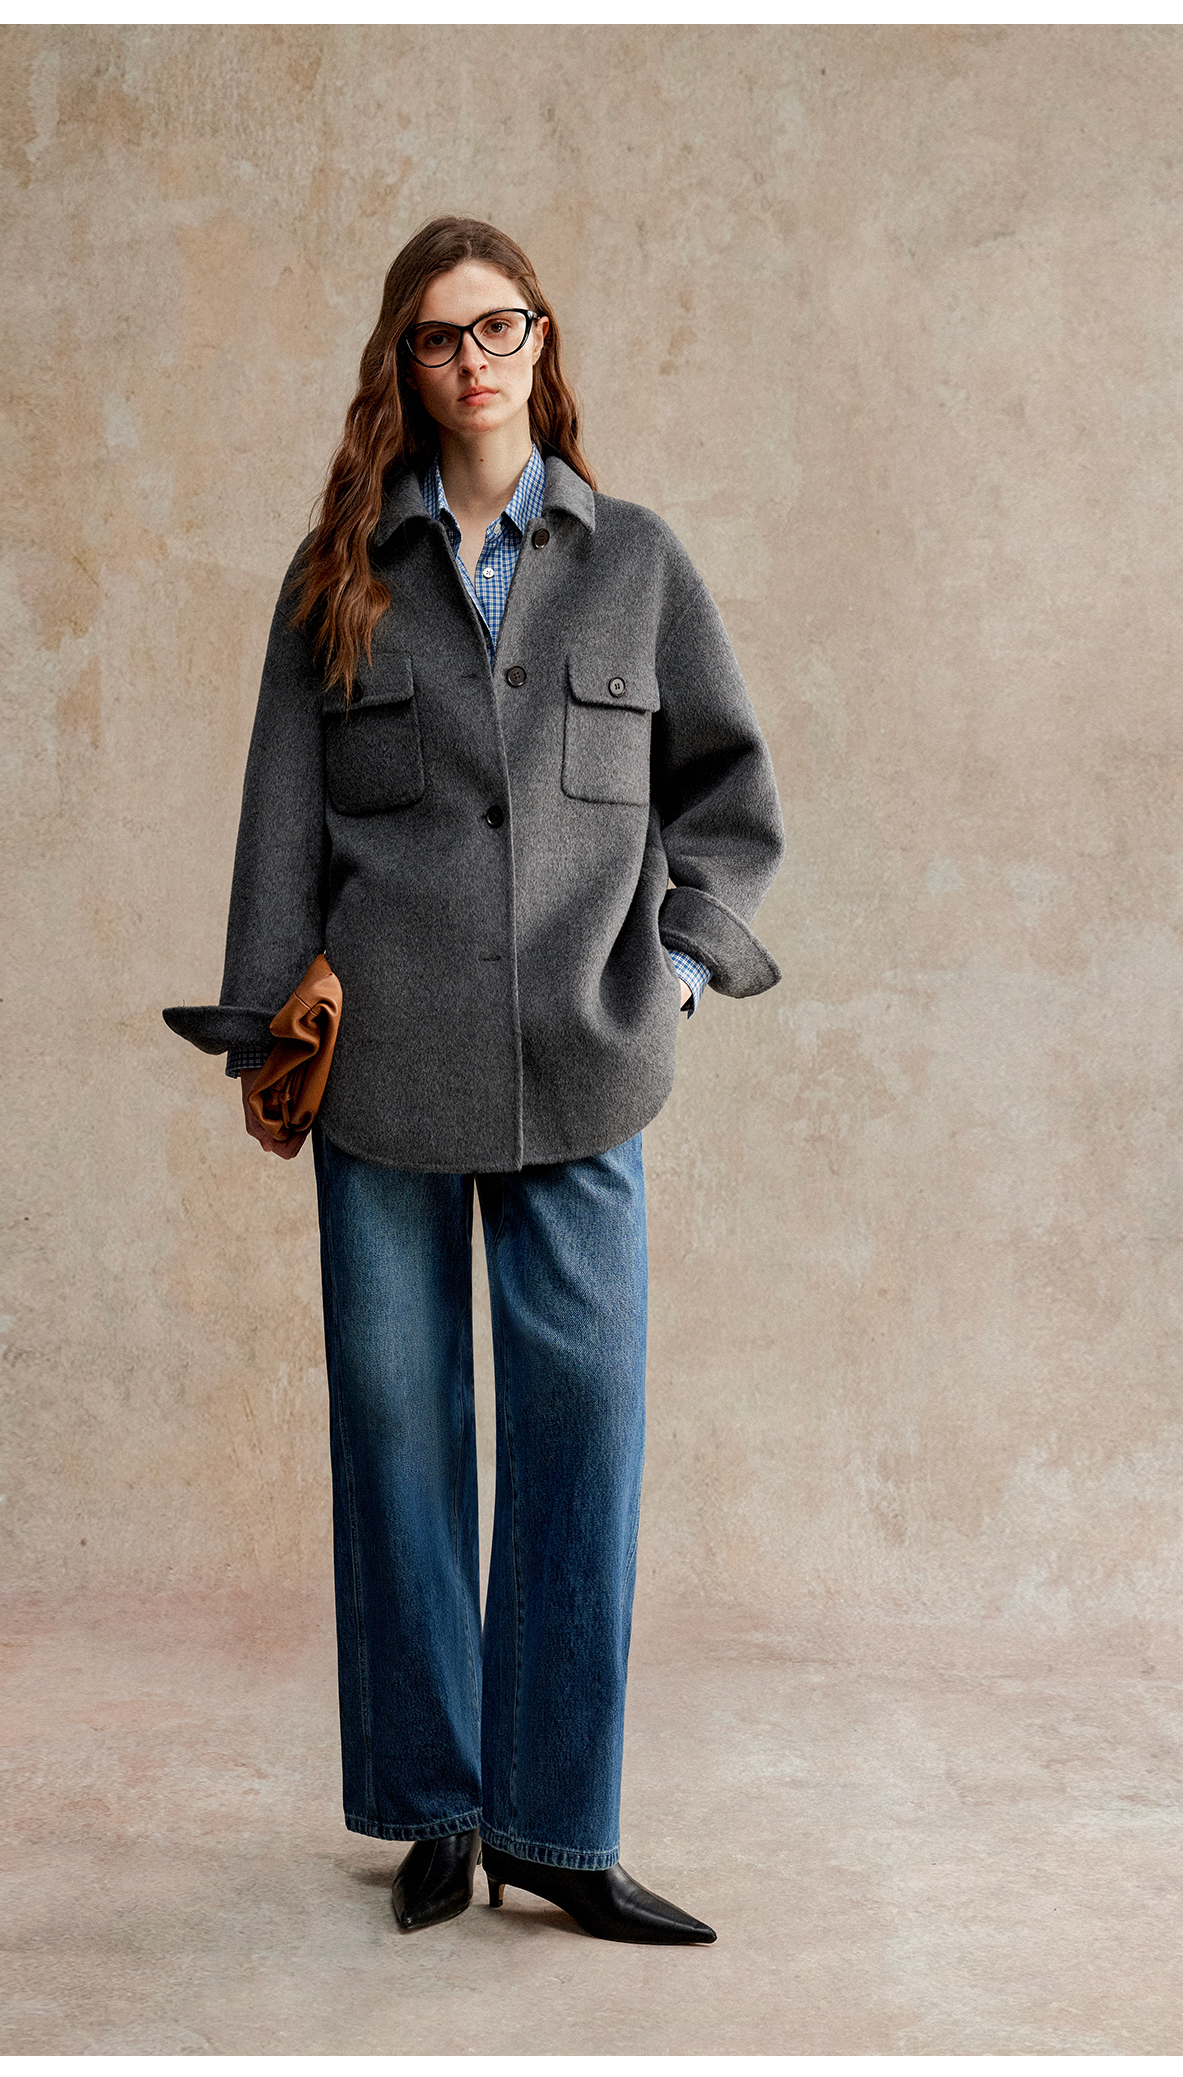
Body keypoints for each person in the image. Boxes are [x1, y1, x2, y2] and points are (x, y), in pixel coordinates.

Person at [187, 216, 783, 1942]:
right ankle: (436, 1811)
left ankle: (559, 1829)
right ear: (406, 361)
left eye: (500, 324)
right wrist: (265, 1031)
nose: (474, 359)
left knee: (582, 1432)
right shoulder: (337, 579)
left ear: (541, 338)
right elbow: (279, 825)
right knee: (396, 1434)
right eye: (442, 335)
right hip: (383, 1076)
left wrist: (675, 970)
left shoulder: (637, 562)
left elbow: (729, 795)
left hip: (587, 1069)